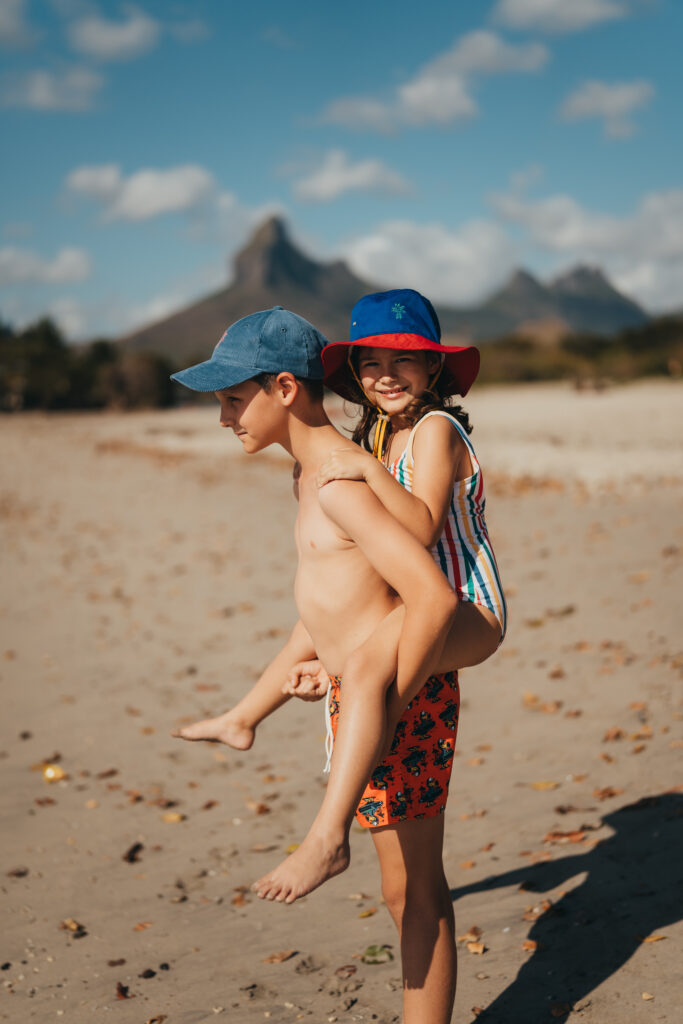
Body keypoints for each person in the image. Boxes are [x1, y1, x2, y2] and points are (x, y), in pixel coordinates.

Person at [170, 306, 460, 1024]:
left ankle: (323, 842)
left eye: (233, 400)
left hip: (398, 694)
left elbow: (429, 596)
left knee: (418, 890)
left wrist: (387, 693)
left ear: (284, 389)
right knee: (401, 891)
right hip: (361, 693)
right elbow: (349, 599)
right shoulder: (311, 475)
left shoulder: (337, 483)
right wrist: (327, 669)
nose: (223, 419)